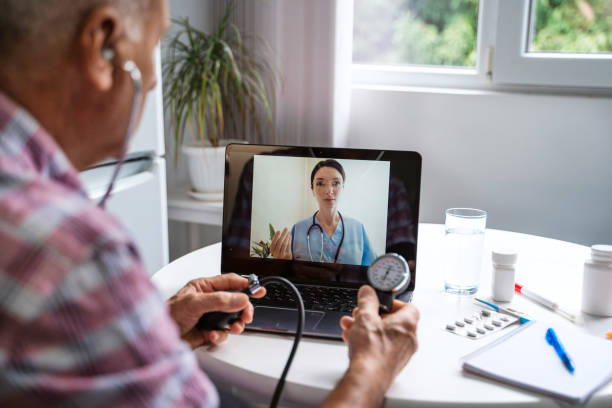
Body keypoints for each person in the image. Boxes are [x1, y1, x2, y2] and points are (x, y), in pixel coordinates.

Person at [0, 0, 419, 407]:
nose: (151, 80)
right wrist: (373, 367)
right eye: (155, 43)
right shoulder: (75, 251)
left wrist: (150, 329)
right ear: (103, 46)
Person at [271, 159, 377, 266]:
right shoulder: (298, 229)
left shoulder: (357, 229)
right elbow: (290, 273)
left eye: (335, 183)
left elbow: (372, 271)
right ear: (313, 190)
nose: (329, 190)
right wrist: (284, 262)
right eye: (320, 183)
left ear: (343, 188)